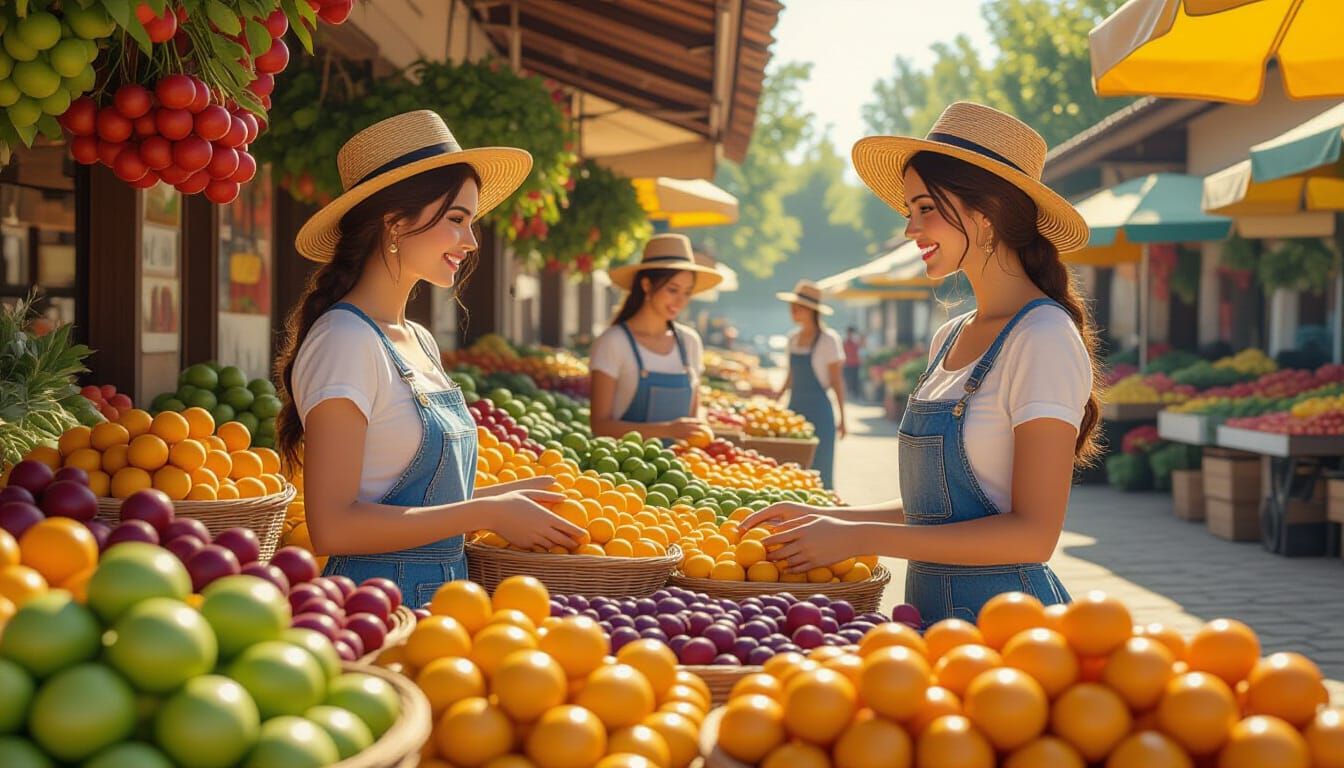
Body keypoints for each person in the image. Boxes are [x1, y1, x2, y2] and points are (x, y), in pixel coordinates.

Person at [745, 102, 1102, 626]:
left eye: (925, 208)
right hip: (933, 623)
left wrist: (859, 537)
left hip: (1011, 633)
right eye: (910, 211)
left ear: (985, 214)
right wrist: (825, 518)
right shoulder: (948, 337)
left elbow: (1034, 535)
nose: (911, 228)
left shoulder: (1043, 337)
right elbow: (935, 513)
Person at [275, 111, 583, 605]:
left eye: (471, 222)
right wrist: (486, 513)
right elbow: (333, 526)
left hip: (445, 602)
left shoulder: (418, 339)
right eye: (457, 220)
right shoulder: (344, 341)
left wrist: (503, 501)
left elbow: (408, 504)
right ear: (395, 223)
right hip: (375, 607)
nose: (471, 241)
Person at [589, 234, 722, 442]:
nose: (680, 301)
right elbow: (600, 426)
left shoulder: (689, 342)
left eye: (687, 292)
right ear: (647, 285)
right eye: (672, 290)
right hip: (623, 462)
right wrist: (668, 430)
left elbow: (694, 414)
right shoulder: (613, 342)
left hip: (681, 461)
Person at [774, 280, 847, 489]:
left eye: (798, 306)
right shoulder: (792, 339)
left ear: (811, 310)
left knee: (820, 469)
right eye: (792, 306)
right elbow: (791, 375)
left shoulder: (828, 340)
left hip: (820, 413)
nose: (793, 310)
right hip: (794, 410)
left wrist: (843, 418)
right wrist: (777, 399)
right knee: (792, 470)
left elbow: (836, 381)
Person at [843, 326, 865, 402]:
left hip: (855, 364)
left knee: (856, 380)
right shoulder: (845, 342)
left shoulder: (855, 342)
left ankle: (856, 395)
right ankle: (849, 395)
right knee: (849, 381)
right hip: (847, 364)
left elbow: (862, 345)